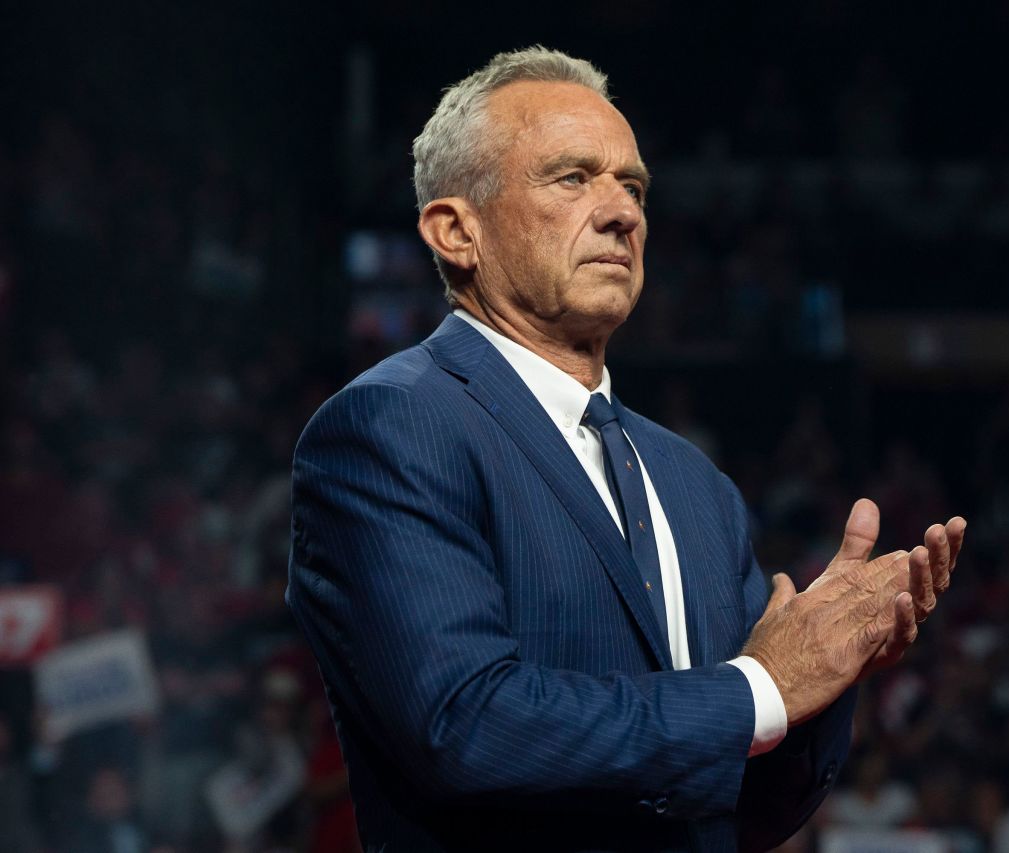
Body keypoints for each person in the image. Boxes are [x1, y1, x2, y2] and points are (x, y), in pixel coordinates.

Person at [285, 46, 966, 852]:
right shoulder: (390, 428)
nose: (623, 214)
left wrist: (824, 679)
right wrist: (763, 686)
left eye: (633, 186)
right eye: (573, 178)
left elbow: (740, 803)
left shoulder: (696, 484)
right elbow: (463, 724)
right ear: (456, 229)